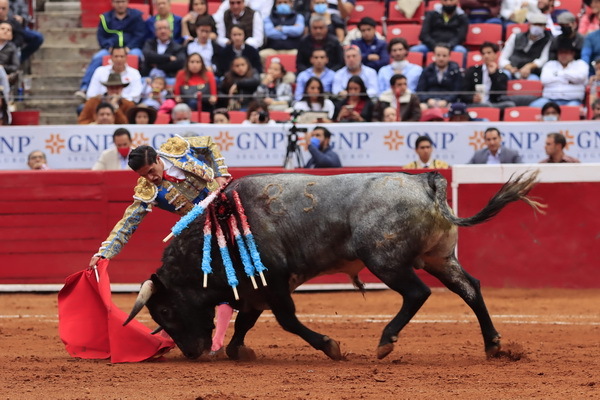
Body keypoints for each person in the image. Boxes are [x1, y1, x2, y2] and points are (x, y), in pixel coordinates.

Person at [87, 135, 232, 356]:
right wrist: (104, 253)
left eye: (151, 171)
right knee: (201, 280)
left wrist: (220, 173)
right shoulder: (148, 190)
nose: (150, 178)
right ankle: (188, 338)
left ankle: (212, 339)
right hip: (203, 231)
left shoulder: (177, 148)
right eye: (143, 175)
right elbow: (127, 223)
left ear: (157, 158)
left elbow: (209, 144)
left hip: (229, 206)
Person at [75, 0, 146, 97]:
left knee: (138, 56)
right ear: (112, 3)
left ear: (127, 2)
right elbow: (101, 36)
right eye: (117, 2)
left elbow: (140, 35)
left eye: (123, 2)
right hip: (110, 49)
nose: (120, 5)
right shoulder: (105, 17)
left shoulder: (136, 16)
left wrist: (129, 47)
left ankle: (142, 86)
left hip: (131, 48)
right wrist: (108, 47)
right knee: (97, 57)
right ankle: (84, 89)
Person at [530, 39, 588, 108]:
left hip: (573, 100)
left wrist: (557, 74)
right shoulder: (550, 64)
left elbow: (580, 78)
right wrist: (569, 80)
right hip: (549, 100)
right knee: (534, 106)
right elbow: (545, 80)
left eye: (566, 52)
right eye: (561, 52)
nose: (563, 55)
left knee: (573, 109)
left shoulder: (581, 64)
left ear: (573, 53)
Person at [461, 41, 516, 109]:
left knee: (509, 104)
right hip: (476, 104)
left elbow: (500, 95)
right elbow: (463, 92)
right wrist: (472, 98)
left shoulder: (502, 75)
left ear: (495, 55)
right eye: (483, 53)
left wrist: (493, 74)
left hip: (494, 104)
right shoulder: (472, 71)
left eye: (489, 53)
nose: (486, 56)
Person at [499, 13, 552, 80]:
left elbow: (543, 59)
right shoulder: (515, 36)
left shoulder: (548, 40)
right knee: (502, 76)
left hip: (532, 72)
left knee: (534, 80)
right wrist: (510, 68)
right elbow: (503, 58)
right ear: (529, 25)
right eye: (535, 24)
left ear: (545, 27)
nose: (537, 27)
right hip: (512, 69)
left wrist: (529, 66)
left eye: (540, 25)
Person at [416, 43, 463, 109]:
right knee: (421, 107)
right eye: (438, 55)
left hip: (449, 102)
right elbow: (420, 90)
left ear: (449, 57)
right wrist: (428, 100)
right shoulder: (427, 70)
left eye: (444, 56)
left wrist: (446, 100)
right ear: (434, 56)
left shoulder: (456, 71)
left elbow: (457, 90)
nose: (441, 58)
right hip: (429, 101)